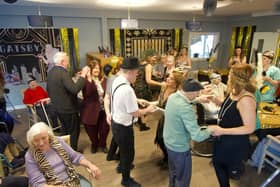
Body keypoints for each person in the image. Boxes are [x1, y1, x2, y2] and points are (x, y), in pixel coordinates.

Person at [163, 78, 217, 187]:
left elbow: (185, 100)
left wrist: (198, 99)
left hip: (169, 142)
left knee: (173, 172)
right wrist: (211, 129)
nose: (198, 94)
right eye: (197, 92)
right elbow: (197, 136)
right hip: (180, 147)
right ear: (191, 92)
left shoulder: (173, 97)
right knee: (182, 178)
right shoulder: (186, 108)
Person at [111, 57, 156, 187]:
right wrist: (147, 109)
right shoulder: (128, 89)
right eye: (137, 73)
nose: (137, 75)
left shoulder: (118, 80)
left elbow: (123, 98)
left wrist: (136, 100)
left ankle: (121, 166)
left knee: (123, 150)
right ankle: (126, 179)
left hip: (116, 123)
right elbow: (135, 113)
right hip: (124, 127)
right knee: (129, 153)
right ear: (130, 72)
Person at [210, 64, 257, 187]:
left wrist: (222, 131)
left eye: (230, 74)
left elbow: (249, 128)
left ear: (237, 78)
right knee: (218, 165)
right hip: (222, 139)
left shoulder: (246, 99)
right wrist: (218, 102)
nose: (228, 76)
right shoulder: (234, 91)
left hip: (233, 143)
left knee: (224, 168)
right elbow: (232, 110)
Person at [25, 122, 101, 187]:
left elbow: (75, 157)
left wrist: (90, 165)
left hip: (72, 178)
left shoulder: (58, 141)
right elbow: (37, 182)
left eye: (44, 138)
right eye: (36, 140)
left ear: (48, 135)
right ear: (31, 141)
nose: (41, 143)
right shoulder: (30, 156)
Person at [47, 52, 89, 151]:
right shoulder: (63, 72)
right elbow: (74, 89)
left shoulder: (51, 72)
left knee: (65, 130)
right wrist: (83, 75)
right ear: (62, 62)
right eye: (67, 62)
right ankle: (72, 152)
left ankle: (65, 150)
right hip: (68, 109)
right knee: (74, 130)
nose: (68, 64)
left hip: (57, 107)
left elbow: (48, 89)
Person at [153, 70, 184, 169]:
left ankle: (171, 161)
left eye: (170, 78)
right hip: (162, 118)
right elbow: (159, 102)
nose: (167, 79)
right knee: (159, 139)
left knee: (166, 141)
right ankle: (167, 158)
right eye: (168, 77)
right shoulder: (164, 88)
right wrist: (148, 103)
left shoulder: (177, 95)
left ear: (176, 83)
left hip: (171, 121)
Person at [80, 60, 109, 154]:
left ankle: (103, 144)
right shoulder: (85, 80)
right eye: (95, 68)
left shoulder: (103, 79)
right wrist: (89, 78)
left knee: (104, 129)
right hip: (90, 110)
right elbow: (88, 93)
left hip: (103, 110)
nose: (97, 70)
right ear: (90, 69)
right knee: (92, 131)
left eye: (98, 68)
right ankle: (94, 144)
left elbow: (107, 92)